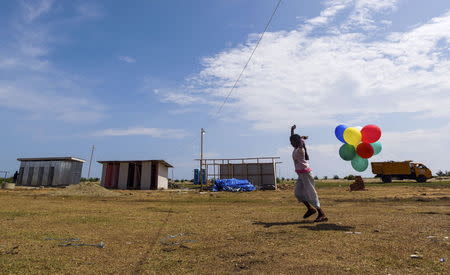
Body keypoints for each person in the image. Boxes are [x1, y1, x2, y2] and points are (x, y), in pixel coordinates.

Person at [290, 125, 327, 222]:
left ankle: (321, 214)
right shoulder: (296, 148)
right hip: (301, 175)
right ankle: (310, 209)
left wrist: (300, 138)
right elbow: (297, 139)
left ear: (297, 142)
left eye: (292, 142)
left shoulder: (300, 149)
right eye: (290, 142)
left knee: (311, 193)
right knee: (298, 193)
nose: (291, 143)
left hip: (306, 174)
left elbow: (300, 143)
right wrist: (292, 131)